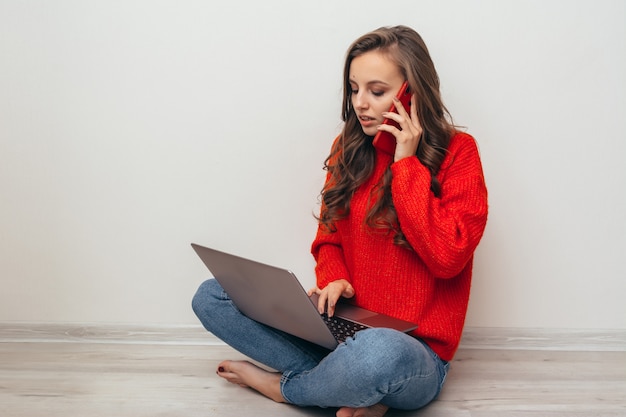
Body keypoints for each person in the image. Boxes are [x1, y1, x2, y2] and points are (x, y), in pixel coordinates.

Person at [192, 25, 488, 417]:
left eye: (377, 91)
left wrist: (406, 164)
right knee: (213, 295)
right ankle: (355, 389)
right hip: (342, 328)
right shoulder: (348, 148)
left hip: (413, 353)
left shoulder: (459, 152)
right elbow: (328, 236)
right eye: (354, 88)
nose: (360, 103)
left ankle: (287, 388)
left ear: (410, 93)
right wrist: (334, 276)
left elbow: (447, 257)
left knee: (377, 354)